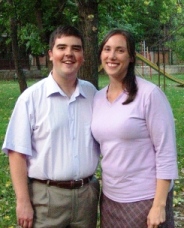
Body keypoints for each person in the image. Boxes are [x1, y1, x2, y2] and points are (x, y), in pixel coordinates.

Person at [2, 25, 100, 228]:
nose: (69, 54)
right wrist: (22, 201)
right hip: (45, 200)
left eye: (76, 48)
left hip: (86, 197)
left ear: (82, 54)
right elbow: (16, 152)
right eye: (61, 47)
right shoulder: (31, 98)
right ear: (50, 54)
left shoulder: (92, 94)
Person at [91, 29, 178, 228]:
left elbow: (166, 151)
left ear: (131, 57)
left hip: (146, 199)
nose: (112, 56)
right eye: (107, 49)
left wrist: (159, 205)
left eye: (120, 50)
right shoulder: (97, 97)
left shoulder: (149, 95)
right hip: (111, 199)